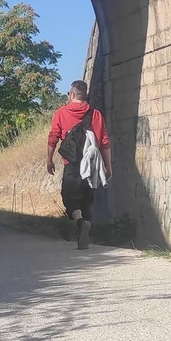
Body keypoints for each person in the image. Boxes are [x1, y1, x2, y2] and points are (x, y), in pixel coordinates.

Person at [45, 80, 111, 249]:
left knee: (70, 199)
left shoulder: (61, 113)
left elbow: (53, 137)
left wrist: (49, 159)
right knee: (87, 201)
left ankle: (81, 223)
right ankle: (85, 234)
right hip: (92, 165)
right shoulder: (96, 114)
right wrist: (108, 166)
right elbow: (104, 142)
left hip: (72, 163)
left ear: (72, 94)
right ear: (85, 95)